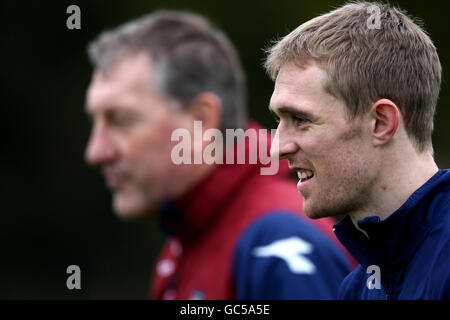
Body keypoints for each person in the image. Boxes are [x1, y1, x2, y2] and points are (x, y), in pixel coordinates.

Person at [84, 10, 353, 300]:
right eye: (95, 122)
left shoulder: (279, 243)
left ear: (201, 120)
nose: (96, 151)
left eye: (120, 120)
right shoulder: (187, 237)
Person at [264, 1, 449, 299]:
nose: (277, 148)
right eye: (279, 120)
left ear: (380, 123)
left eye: (300, 119)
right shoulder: (356, 288)